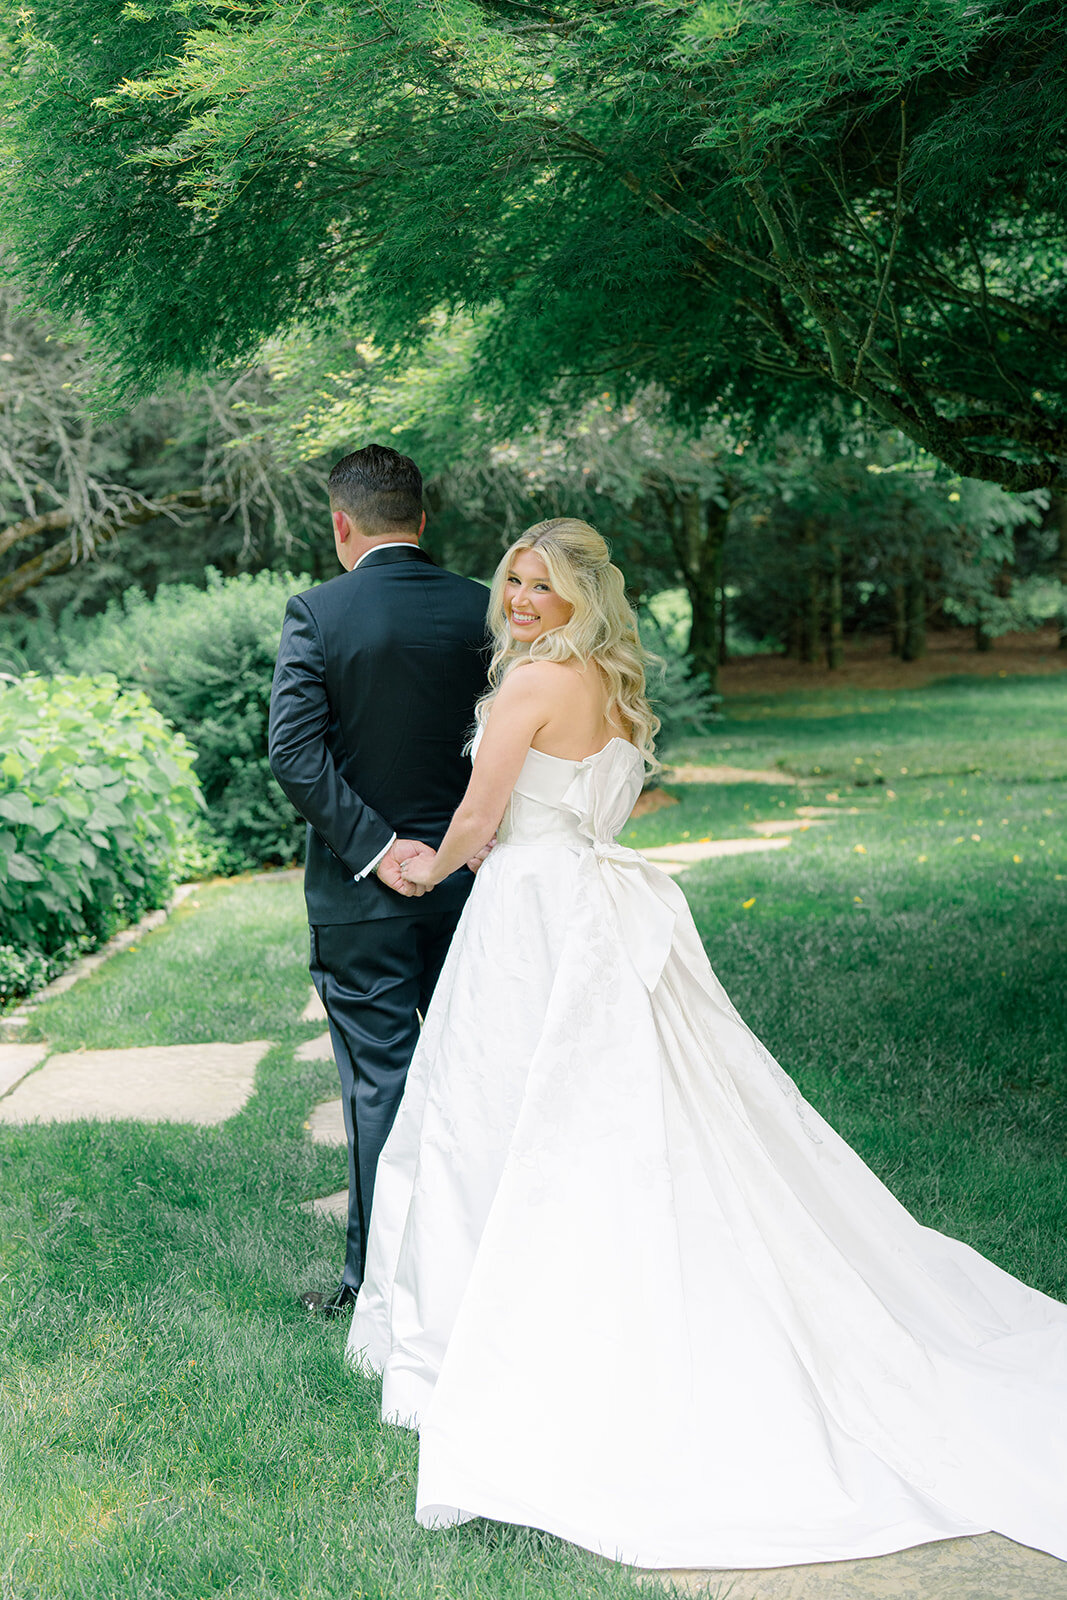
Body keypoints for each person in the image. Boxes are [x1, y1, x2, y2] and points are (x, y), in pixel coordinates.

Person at [346, 516, 1067, 1570]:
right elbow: (600, 810)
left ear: (577, 596)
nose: (518, 601)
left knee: (493, 1114)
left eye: (538, 587)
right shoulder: (614, 685)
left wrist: (418, 869)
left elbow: (477, 818)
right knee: (610, 1112)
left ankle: (485, 1329)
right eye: (511, 582)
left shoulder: (526, 689)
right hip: (593, 906)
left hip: (531, 915)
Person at [268, 444, 489, 1317]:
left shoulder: (317, 613)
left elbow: (292, 753)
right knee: (480, 1072)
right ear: (423, 520)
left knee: (379, 1084)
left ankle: (378, 1285)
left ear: (340, 525)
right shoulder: (488, 610)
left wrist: (378, 848)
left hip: (360, 901)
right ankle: (486, 1266)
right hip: (476, 887)